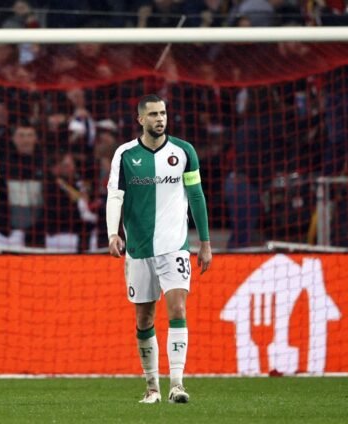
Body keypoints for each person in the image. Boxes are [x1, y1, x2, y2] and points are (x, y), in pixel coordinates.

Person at [106, 94, 213, 404]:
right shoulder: (125, 154)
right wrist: (113, 233)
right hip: (138, 249)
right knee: (144, 319)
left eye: (163, 113)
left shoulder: (184, 152)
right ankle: (152, 387)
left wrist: (204, 243)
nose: (159, 119)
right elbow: (115, 196)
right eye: (153, 114)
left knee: (178, 309)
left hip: (174, 247)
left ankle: (177, 384)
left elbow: (196, 197)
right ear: (141, 119)